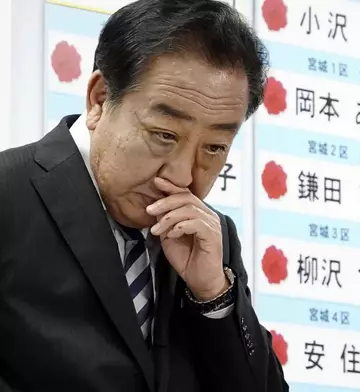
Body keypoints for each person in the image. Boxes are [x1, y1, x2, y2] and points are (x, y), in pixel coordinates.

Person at [0, 0, 288, 391]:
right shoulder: (9, 193)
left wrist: (213, 295)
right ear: (99, 99)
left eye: (215, 147)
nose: (183, 175)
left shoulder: (213, 238)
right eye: (164, 135)